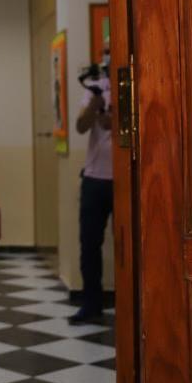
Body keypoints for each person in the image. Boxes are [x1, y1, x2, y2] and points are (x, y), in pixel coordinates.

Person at [71, 62, 112, 324]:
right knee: (89, 244)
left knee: (133, 246)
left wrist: (105, 113)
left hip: (127, 180)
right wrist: (94, 104)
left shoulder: (134, 82)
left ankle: (140, 303)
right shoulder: (96, 86)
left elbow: (112, 124)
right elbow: (81, 126)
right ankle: (91, 302)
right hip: (95, 178)